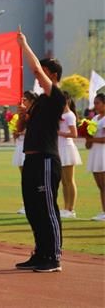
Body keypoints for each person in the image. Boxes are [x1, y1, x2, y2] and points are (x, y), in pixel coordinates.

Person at [15, 32, 65, 273]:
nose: (38, 77)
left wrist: (24, 45)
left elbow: (35, 69)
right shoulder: (38, 102)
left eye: (44, 73)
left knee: (47, 208)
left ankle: (53, 256)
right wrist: (23, 115)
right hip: (31, 158)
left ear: (52, 75)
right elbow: (20, 129)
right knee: (33, 209)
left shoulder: (56, 96)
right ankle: (40, 252)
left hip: (46, 158)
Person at [13, 91, 38, 214]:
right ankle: (27, 203)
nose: (22, 103)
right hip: (22, 146)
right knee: (25, 179)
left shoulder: (36, 113)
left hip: (34, 148)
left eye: (25, 101)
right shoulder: (24, 113)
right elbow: (19, 128)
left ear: (32, 101)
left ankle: (34, 204)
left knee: (32, 178)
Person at [57, 92, 82, 219]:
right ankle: (65, 207)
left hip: (67, 148)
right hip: (59, 149)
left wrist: (59, 132)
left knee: (69, 180)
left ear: (66, 100)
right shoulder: (59, 114)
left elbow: (74, 134)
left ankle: (71, 209)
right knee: (63, 181)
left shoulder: (69, 115)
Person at [86, 93, 105, 221]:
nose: (95, 106)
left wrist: (92, 140)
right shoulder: (94, 119)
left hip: (103, 152)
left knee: (104, 185)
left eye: (98, 103)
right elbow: (89, 141)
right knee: (100, 185)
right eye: (94, 103)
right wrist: (87, 139)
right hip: (94, 152)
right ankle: (103, 211)